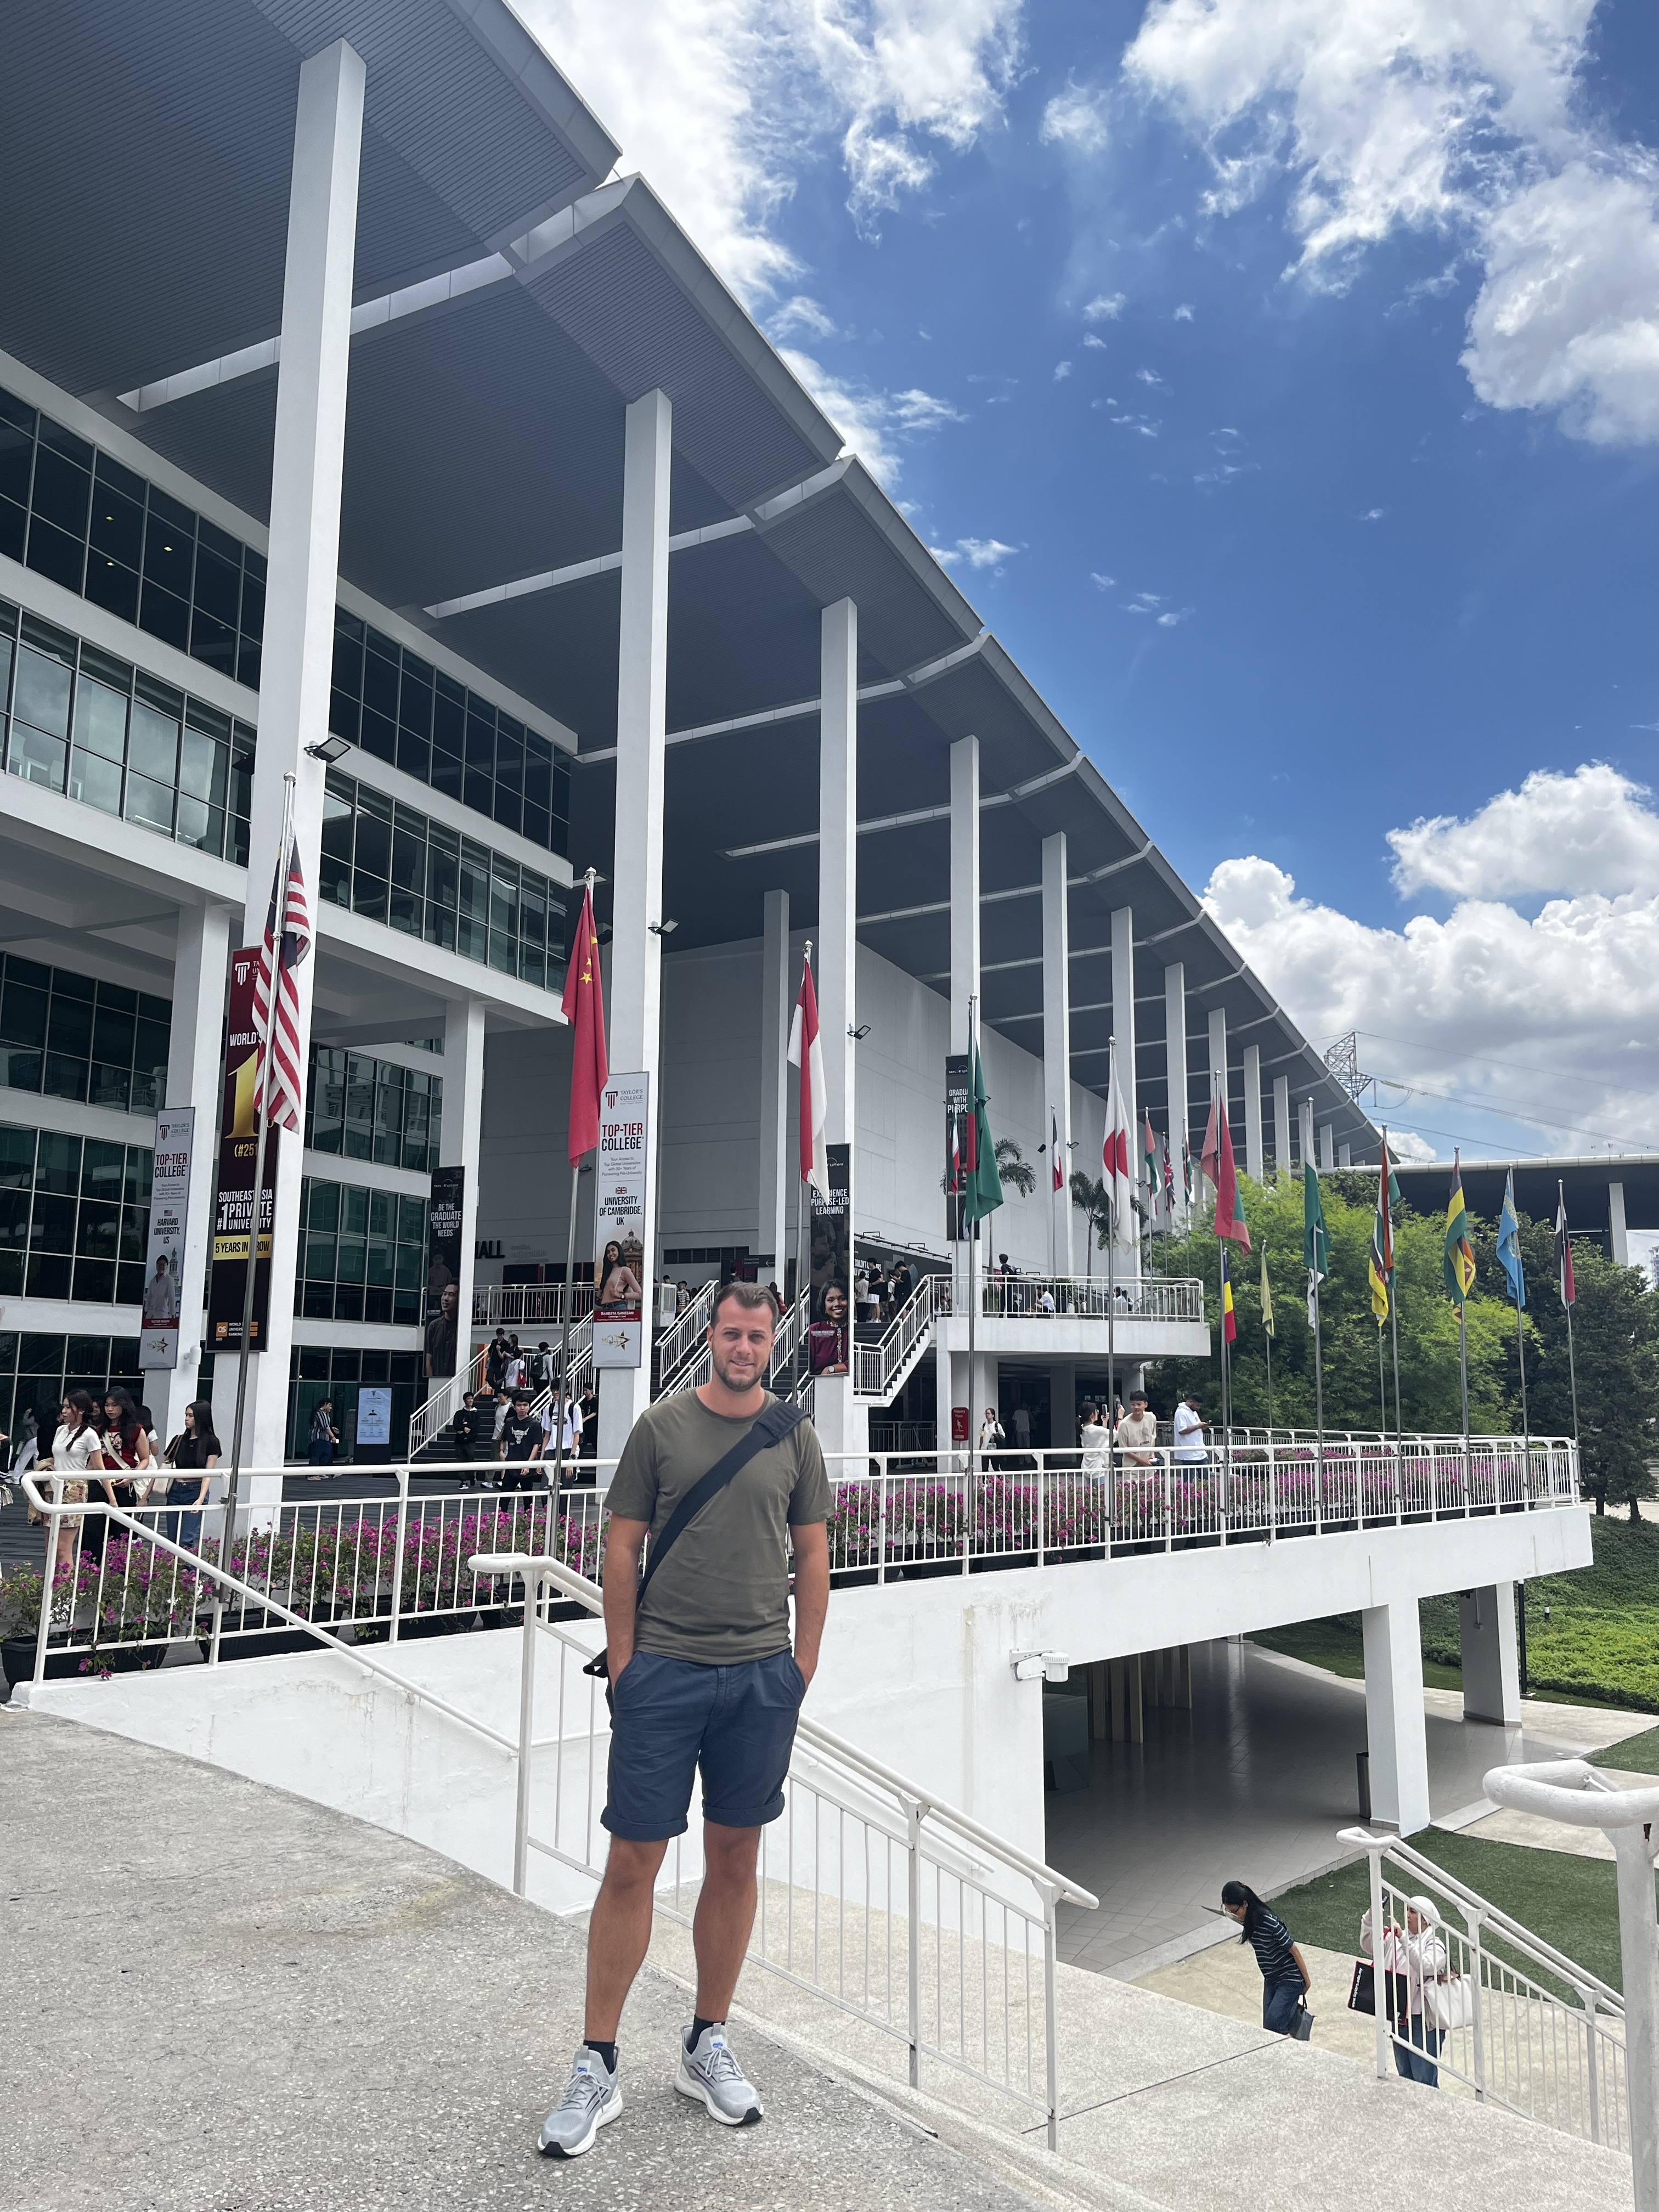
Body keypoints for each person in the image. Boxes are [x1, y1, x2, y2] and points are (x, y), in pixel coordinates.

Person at [538, 1281, 830, 2160]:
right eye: (732, 1333)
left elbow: (814, 1553)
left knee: (735, 1857)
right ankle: (597, 2060)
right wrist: (625, 1660)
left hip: (758, 1679)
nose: (744, 1348)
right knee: (634, 1860)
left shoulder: (796, 1436)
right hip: (664, 1674)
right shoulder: (660, 1428)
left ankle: (707, 2042)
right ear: (709, 1337)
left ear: (774, 1343)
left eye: (758, 1336)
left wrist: (800, 1666)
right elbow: (619, 1544)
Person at [1361, 1895, 1449, 2086]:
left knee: (1424, 2079)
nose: (1407, 1915)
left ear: (1425, 1919)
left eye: (1413, 1912)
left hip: (1423, 2022)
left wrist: (1402, 1939)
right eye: (1407, 1910)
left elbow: (1425, 1966)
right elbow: (1369, 1946)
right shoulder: (1397, 1938)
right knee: (1406, 2075)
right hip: (1400, 2015)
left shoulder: (1436, 1944)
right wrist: (1370, 1918)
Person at [1221, 1881, 1311, 2035]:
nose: (1235, 1916)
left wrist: (1307, 1981)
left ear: (1245, 1904)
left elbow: (1294, 1950)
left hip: (1289, 1979)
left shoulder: (1267, 1920)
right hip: (1271, 1980)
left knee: (1273, 2026)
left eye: (1235, 1911)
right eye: (1229, 1912)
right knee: (1270, 2030)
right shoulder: (1248, 1921)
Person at [42, 1390, 104, 1576]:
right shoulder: (60, 1430)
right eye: (64, 1406)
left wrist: (111, 1498)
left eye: (69, 1407)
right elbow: (56, 1458)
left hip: (73, 1490)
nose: (64, 1411)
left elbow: (99, 1467)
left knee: (63, 1549)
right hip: (52, 1489)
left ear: (81, 1410)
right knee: (50, 1548)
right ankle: (51, 1591)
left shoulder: (90, 1434)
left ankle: (65, 1595)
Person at [92, 1387, 152, 1556]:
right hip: (100, 1484)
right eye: (107, 1405)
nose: (110, 1409)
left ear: (124, 1406)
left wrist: (131, 1476)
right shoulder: (98, 1431)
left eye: (115, 1405)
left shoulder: (136, 1429)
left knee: (121, 1534)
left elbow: (145, 1459)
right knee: (95, 1533)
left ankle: (118, 1572)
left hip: (124, 1485)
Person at [162, 1401, 219, 1554]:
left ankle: (190, 1575)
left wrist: (201, 1499)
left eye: (191, 1416)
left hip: (194, 1490)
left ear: (200, 1418)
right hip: (175, 1490)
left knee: (185, 1540)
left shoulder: (211, 1442)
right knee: (172, 1540)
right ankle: (175, 1573)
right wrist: (146, 1496)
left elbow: (209, 1473)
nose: (186, 1419)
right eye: (186, 1415)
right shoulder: (179, 1440)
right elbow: (163, 1467)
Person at [498, 1390, 545, 1492]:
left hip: (527, 1466)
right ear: (514, 1407)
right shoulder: (509, 1422)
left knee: (527, 1498)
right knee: (504, 1496)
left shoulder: (535, 1424)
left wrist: (528, 1464)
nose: (522, 1408)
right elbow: (503, 1439)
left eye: (525, 1405)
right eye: (519, 1405)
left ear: (529, 1406)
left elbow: (536, 1445)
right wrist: (501, 1451)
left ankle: (528, 1509)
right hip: (511, 1465)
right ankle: (502, 1510)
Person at [808, 1282, 850, 1375]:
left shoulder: (855, 1330)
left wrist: (831, 1369)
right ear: (824, 1305)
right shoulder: (815, 1330)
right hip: (819, 1386)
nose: (837, 1304)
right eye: (830, 1300)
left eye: (842, 1298)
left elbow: (861, 1363)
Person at [424, 1279, 459, 1381]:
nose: (446, 1299)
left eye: (451, 1295)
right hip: (437, 1380)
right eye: (444, 1294)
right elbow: (429, 1362)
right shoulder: (434, 1326)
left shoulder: (462, 1327)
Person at [1115, 1389, 1159, 1468]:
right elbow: (1124, 1449)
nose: (1136, 1407)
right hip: (1131, 1470)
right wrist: (1142, 1461)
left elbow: (1152, 1439)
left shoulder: (1151, 1418)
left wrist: (1152, 1455)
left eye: (1139, 1404)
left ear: (1146, 1404)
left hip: (1148, 1468)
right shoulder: (1124, 1424)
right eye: (1133, 1405)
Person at [1171, 1392, 1208, 1464]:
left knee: (1205, 1474)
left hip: (1199, 1449)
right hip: (1188, 1451)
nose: (1198, 1408)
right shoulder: (1181, 1412)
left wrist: (1202, 1427)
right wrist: (1198, 1426)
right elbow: (1182, 1431)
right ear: (1191, 1402)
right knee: (1189, 1475)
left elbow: (1196, 1426)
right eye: (1197, 1405)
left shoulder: (1194, 1412)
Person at [142, 1254, 178, 1326]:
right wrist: (146, 1310)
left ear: (166, 1266)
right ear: (156, 1266)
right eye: (159, 1264)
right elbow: (149, 1297)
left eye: (163, 1265)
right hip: (150, 1315)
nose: (161, 1267)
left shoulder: (169, 1280)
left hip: (161, 1316)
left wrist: (173, 1315)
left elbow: (171, 1298)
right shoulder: (153, 1280)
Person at [308, 1397, 340, 1473]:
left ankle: (321, 1472)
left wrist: (332, 1429)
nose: (331, 1408)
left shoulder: (326, 1414)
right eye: (330, 1405)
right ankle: (311, 1474)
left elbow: (327, 1426)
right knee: (316, 1455)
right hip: (318, 1437)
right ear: (325, 1405)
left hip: (325, 1438)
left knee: (327, 1455)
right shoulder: (319, 1413)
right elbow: (325, 1426)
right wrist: (333, 1436)